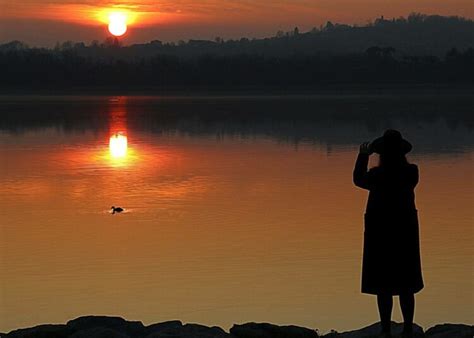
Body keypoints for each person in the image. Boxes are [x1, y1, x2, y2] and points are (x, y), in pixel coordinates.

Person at [353, 130, 424, 337]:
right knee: (406, 282)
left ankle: (385, 329)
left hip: (381, 232)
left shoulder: (376, 176)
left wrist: (363, 155)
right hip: (405, 231)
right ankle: (408, 328)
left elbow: (358, 179)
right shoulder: (411, 172)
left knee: (382, 282)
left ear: (381, 154)